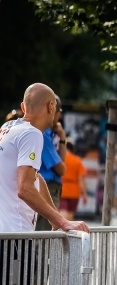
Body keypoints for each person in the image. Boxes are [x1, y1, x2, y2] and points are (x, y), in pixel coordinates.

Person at [0, 83, 90, 285]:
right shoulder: (33, 135)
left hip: (13, 236)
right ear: (51, 107)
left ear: (24, 107)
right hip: (11, 237)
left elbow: (35, 178)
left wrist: (54, 218)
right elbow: (25, 189)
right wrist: (64, 223)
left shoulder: (9, 128)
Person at [34, 96, 67, 231]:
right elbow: (61, 169)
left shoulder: (49, 133)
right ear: (51, 109)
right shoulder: (43, 135)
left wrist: (62, 139)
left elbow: (62, 163)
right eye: (59, 112)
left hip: (50, 186)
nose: (59, 117)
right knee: (44, 234)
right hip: (47, 187)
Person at [58, 139, 88, 220]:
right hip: (74, 191)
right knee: (70, 215)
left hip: (62, 189)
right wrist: (84, 194)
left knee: (62, 212)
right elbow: (81, 179)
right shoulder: (77, 160)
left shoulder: (60, 159)